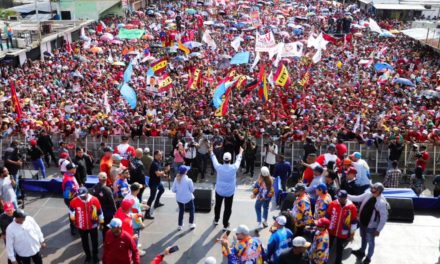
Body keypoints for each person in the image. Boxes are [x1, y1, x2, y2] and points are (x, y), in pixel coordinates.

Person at [350, 183, 389, 264]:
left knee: (371, 242)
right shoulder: (368, 194)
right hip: (362, 222)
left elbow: (383, 218)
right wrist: (345, 195)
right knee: (363, 238)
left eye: (374, 188)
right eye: (372, 188)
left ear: (379, 191)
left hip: (371, 226)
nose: (372, 189)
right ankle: (362, 251)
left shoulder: (381, 202)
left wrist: (378, 230)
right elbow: (357, 198)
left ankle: (368, 257)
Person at [210, 146, 243, 230]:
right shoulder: (234, 168)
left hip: (219, 191)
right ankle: (225, 224)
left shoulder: (219, 167)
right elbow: (238, 160)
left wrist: (211, 151)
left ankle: (216, 219)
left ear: (223, 159)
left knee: (217, 206)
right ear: (230, 159)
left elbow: (214, 159)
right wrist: (241, 152)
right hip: (229, 192)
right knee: (228, 208)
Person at [69, 187, 104, 264]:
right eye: (80, 195)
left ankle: (95, 256)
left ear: (88, 193)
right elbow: (71, 212)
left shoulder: (95, 200)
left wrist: (101, 223)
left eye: (84, 195)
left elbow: (100, 212)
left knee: (95, 242)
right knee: (84, 243)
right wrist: (73, 221)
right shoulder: (74, 201)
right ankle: (88, 256)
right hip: (81, 226)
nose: (82, 197)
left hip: (93, 225)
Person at [326, 190, 358, 264]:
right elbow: (327, 216)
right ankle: (324, 260)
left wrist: (352, 233)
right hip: (331, 230)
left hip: (343, 232)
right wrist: (325, 227)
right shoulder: (333, 203)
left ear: (346, 198)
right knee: (327, 246)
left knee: (339, 249)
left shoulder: (352, 207)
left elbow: (354, 222)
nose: (340, 200)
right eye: (339, 198)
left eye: (342, 198)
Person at [90, 172, 117, 241]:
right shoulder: (107, 189)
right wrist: (115, 212)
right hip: (107, 212)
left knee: (101, 225)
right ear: (106, 179)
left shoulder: (94, 188)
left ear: (98, 179)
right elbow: (112, 202)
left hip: (97, 211)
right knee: (107, 227)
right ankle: (106, 239)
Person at [144, 150, 170, 220]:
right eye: (159, 155)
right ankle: (147, 213)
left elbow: (159, 172)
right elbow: (158, 173)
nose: (161, 156)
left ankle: (157, 203)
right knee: (152, 197)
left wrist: (165, 175)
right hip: (153, 183)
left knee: (162, 190)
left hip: (157, 181)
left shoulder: (158, 162)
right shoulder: (154, 163)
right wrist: (165, 171)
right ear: (155, 156)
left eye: (161, 154)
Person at [172, 165, 196, 230]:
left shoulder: (176, 179)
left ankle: (180, 225)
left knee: (181, 210)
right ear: (185, 172)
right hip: (188, 198)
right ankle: (191, 224)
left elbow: (173, 190)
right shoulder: (189, 180)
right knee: (192, 209)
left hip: (179, 198)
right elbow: (192, 190)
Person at [124, 183, 147, 248]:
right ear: (137, 190)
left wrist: (142, 205)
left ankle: (134, 245)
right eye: (139, 189)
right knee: (135, 236)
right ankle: (136, 249)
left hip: (128, 220)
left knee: (131, 236)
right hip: (134, 223)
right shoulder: (133, 200)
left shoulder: (129, 195)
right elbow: (135, 215)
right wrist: (141, 224)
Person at [62, 163, 79, 236]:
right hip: (71, 199)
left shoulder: (68, 174)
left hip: (70, 198)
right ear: (71, 169)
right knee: (72, 214)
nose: (76, 169)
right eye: (74, 168)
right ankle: (73, 229)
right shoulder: (69, 180)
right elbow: (71, 191)